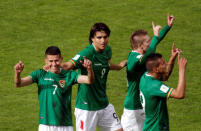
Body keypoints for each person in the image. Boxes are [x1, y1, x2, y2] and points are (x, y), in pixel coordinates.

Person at [61, 23, 126, 131]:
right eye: (99, 38)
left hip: (104, 104)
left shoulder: (107, 51)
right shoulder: (86, 53)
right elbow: (68, 65)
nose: (103, 41)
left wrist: (119, 66)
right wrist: (53, 66)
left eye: (105, 37)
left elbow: (104, 65)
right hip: (87, 108)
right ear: (92, 39)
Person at [14, 46, 94, 131]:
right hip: (45, 125)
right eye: (51, 61)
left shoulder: (69, 75)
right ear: (45, 61)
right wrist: (17, 73)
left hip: (65, 125)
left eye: (56, 60)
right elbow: (19, 84)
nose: (54, 64)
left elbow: (89, 80)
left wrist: (89, 69)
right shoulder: (40, 74)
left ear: (61, 59)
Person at [121, 14, 175, 131]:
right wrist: (155, 38)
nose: (151, 43)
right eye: (148, 42)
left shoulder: (142, 56)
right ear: (140, 45)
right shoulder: (133, 59)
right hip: (133, 109)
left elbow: (154, 43)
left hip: (144, 106)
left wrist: (168, 26)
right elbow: (152, 48)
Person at [139, 52, 187, 131]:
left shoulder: (145, 77)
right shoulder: (155, 86)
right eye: (163, 64)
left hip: (149, 127)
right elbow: (180, 94)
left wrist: (172, 58)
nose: (166, 64)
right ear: (156, 69)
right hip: (157, 128)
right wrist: (182, 70)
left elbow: (165, 76)